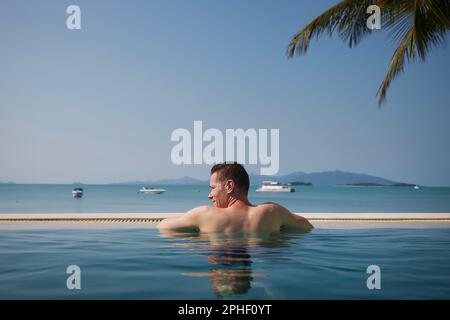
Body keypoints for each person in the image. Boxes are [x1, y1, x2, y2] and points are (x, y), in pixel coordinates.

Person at [157, 162, 313, 233]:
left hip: (222, 262)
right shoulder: (272, 212)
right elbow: (307, 227)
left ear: (229, 186)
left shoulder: (206, 214)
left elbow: (162, 226)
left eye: (212, 188)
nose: (209, 195)